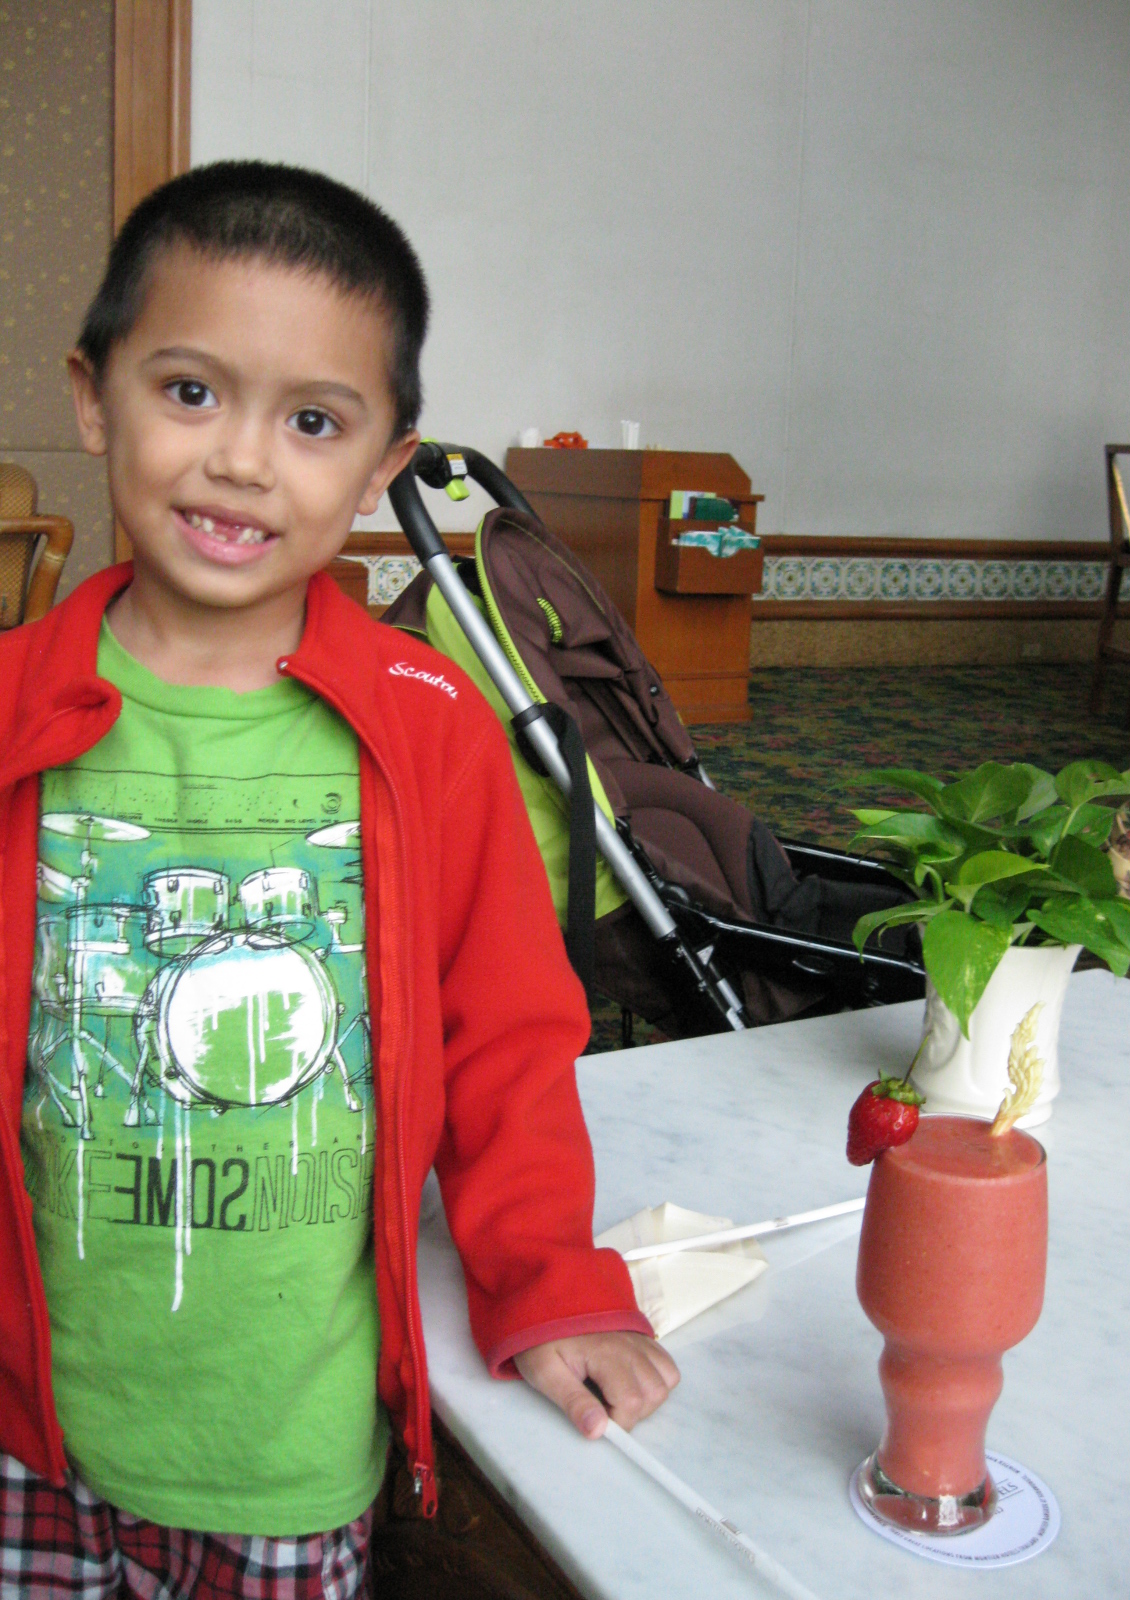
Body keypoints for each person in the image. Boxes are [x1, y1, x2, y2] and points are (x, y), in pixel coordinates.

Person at [0, 161, 678, 1599]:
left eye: (312, 421)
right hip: (23, 1431)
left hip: (286, 1449)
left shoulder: (430, 727)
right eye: (191, 391)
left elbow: (507, 1035)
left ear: (381, 468)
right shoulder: (7, 707)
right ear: (92, 396)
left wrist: (548, 1282)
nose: (243, 461)